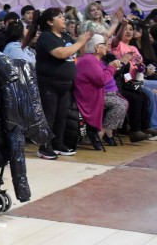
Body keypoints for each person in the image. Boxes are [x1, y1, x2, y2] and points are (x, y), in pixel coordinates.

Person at [29, 8, 92, 158]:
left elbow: (78, 53)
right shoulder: (46, 37)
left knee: (61, 116)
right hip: (49, 83)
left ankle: (58, 144)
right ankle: (44, 147)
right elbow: (61, 53)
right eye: (59, 17)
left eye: (63, 16)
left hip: (65, 84)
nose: (63, 18)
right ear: (50, 22)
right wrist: (80, 41)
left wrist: (83, 41)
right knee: (49, 116)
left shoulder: (65, 36)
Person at [74, 35, 130, 149]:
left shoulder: (94, 60)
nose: (106, 46)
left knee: (123, 103)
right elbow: (102, 80)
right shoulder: (89, 60)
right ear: (96, 47)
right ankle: (100, 132)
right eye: (104, 44)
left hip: (97, 93)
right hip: (87, 96)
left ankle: (103, 131)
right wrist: (111, 67)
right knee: (119, 105)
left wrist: (111, 67)